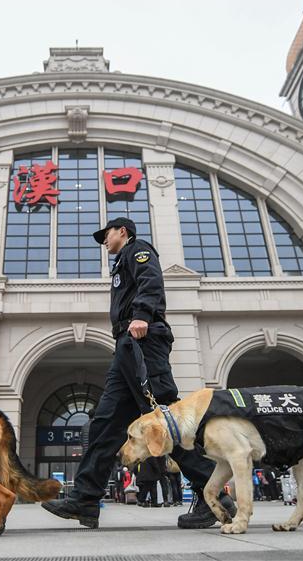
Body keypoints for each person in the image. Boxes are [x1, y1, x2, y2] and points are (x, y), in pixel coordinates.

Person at [42, 217, 236, 529]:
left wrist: (142, 314)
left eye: (106, 234)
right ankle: (85, 498)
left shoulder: (138, 250)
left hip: (143, 342)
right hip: (127, 348)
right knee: (105, 423)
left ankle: (215, 496)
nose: (104, 241)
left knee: (167, 423)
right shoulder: (120, 262)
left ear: (122, 231)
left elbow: (151, 281)